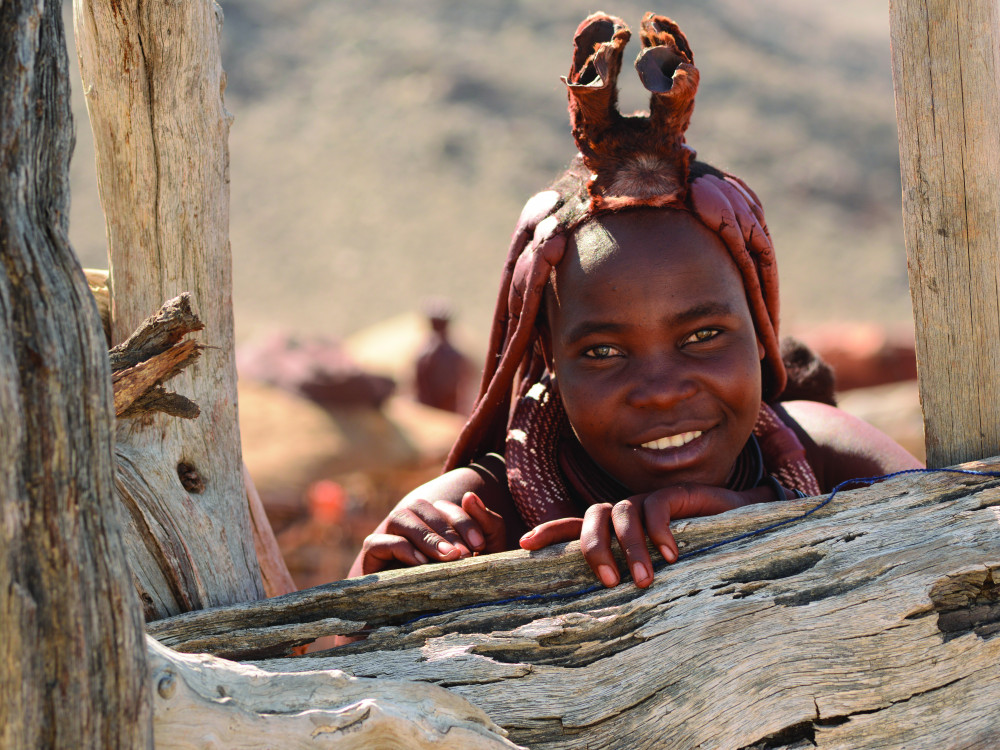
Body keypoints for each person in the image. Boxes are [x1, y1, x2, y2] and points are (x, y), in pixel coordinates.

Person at [347, 12, 921, 589]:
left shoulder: (826, 456)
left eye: (702, 336)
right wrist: (395, 590)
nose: (661, 391)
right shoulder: (474, 518)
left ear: (758, 328)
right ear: (549, 356)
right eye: (603, 352)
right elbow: (333, 639)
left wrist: (764, 517)